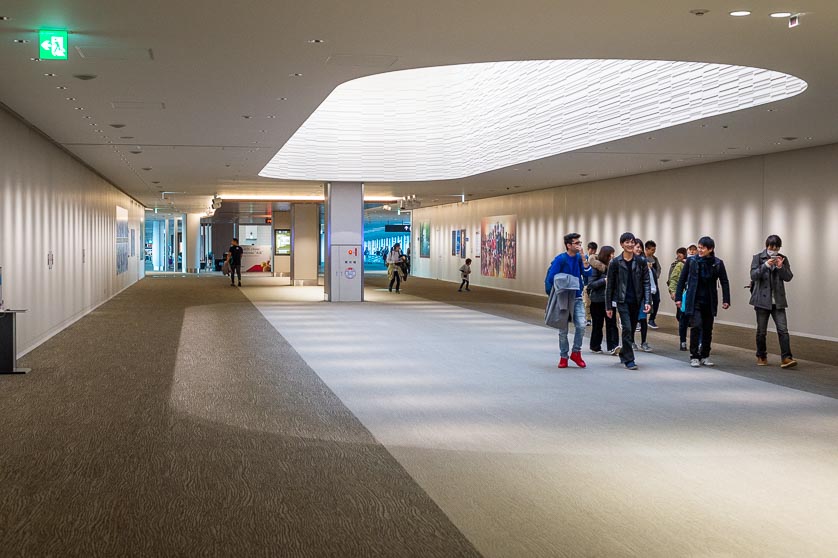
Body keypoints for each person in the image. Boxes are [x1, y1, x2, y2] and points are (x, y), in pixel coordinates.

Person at [675, 236, 731, 367]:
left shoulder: (717, 263)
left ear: (710, 249)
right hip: (694, 300)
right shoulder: (691, 261)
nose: (699, 250)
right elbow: (682, 279)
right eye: (699, 247)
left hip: (710, 300)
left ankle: (705, 355)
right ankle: (694, 355)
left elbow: (724, 281)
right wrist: (678, 297)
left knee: (707, 329)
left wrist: (726, 299)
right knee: (696, 326)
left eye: (702, 248)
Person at [545, 233, 592, 368]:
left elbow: (588, 273)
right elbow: (551, 278)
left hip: (577, 297)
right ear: (568, 245)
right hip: (563, 298)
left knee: (581, 325)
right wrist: (562, 286)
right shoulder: (560, 259)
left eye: (580, 243)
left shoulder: (580, 258)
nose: (579, 245)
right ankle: (563, 356)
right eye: (576, 243)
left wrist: (583, 257)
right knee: (563, 329)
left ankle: (576, 352)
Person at [605, 233, 651, 370]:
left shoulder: (641, 261)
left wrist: (647, 301)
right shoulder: (615, 263)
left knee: (630, 331)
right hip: (622, 300)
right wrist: (608, 306)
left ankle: (624, 353)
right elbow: (610, 286)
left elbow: (646, 282)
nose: (630, 245)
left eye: (632, 242)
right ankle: (630, 360)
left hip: (636, 301)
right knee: (627, 328)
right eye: (627, 242)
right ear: (621, 244)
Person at [749, 235, 797, 368]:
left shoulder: (783, 259)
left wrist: (781, 267)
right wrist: (765, 265)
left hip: (778, 301)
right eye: (771, 247)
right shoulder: (758, 258)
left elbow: (788, 277)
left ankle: (786, 358)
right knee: (761, 331)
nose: (774, 251)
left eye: (777, 248)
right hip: (761, 301)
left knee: (783, 330)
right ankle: (761, 355)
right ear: (767, 246)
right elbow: (753, 275)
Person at [587, 246, 618, 355]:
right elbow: (590, 284)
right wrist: (604, 280)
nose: (613, 256)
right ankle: (595, 346)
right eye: (611, 254)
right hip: (597, 301)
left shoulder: (614, 266)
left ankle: (613, 347)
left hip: (610, 300)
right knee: (598, 324)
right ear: (606, 255)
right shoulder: (596, 267)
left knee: (612, 324)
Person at [632, 239, 653, 352]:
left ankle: (644, 342)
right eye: (637, 247)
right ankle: (631, 341)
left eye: (640, 247)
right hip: (631, 296)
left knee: (643, 319)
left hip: (642, 296)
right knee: (632, 321)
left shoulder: (644, 262)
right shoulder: (626, 261)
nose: (639, 249)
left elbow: (647, 282)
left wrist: (648, 299)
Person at [668, 247, 688, 350]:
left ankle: (700, 343)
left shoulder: (698, 263)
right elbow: (674, 279)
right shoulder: (679, 265)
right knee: (682, 318)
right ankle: (683, 341)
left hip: (694, 297)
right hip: (683, 296)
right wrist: (673, 292)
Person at [645, 240, 662, 328]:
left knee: (656, 300)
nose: (653, 252)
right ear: (646, 249)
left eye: (654, 250)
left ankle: (652, 319)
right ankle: (639, 320)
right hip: (644, 284)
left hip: (654, 284)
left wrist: (655, 275)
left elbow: (659, 269)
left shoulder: (655, 259)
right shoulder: (642, 258)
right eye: (652, 250)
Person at [583, 242, 598, 325]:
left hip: (594, 283)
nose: (592, 252)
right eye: (591, 250)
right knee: (587, 303)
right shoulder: (584, 259)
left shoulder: (596, 259)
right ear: (588, 249)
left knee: (594, 303)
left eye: (594, 250)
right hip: (586, 283)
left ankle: (593, 317)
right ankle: (588, 318)